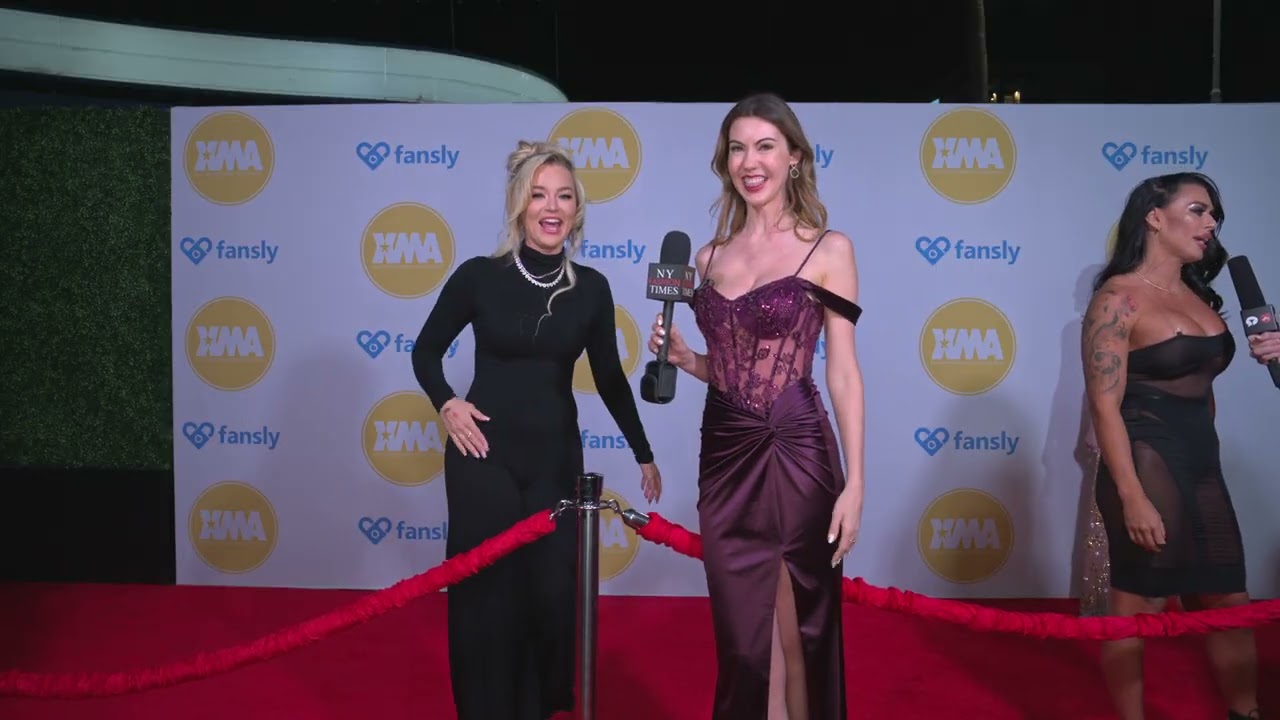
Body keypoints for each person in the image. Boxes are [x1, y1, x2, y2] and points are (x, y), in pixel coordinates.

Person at [411, 139, 663, 720]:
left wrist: (643, 453)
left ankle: (537, 708)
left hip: (555, 460)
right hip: (484, 456)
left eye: (564, 196)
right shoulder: (478, 276)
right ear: (519, 205)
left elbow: (609, 379)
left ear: (577, 209)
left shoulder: (592, 289)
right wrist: (447, 403)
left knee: (551, 595)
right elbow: (425, 352)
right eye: (539, 195)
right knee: (489, 596)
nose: (552, 207)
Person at [647, 92, 864, 720]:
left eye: (766, 145)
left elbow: (843, 373)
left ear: (794, 157)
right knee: (744, 643)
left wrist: (855, 483)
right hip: (724, 455)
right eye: (738, 147)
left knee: (802, 635)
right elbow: (730, 370)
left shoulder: (829, 249)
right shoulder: (708, 259)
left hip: (798, 451)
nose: (751, 160)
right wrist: (687, 361)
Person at [1081, 171, 1260, 720]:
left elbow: (1202, 391)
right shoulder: (1117, 300)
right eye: (1199, 210)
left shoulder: (1199, 295)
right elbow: (1104, 406)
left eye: (1214, 215)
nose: (1211, 224)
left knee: (1228, 596)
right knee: (1138, 599)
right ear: (1155, 218)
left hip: (1202, 460)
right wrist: (1131, 495)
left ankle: (1246, 712)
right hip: (1145, 457)